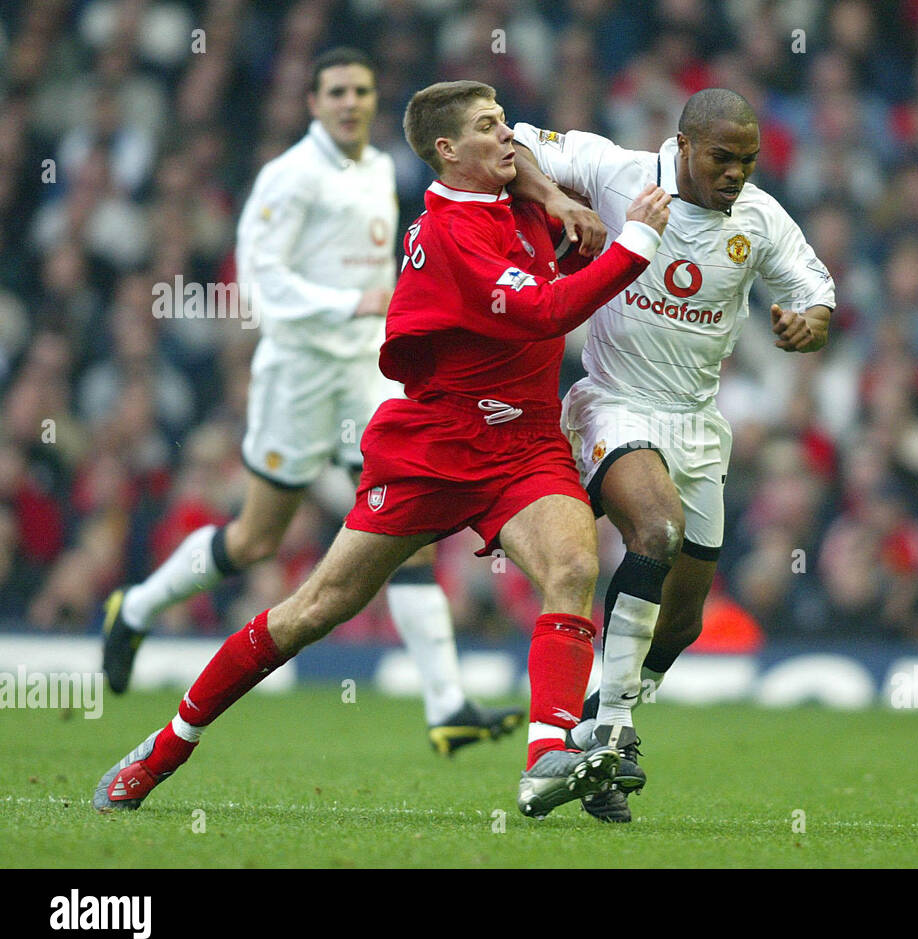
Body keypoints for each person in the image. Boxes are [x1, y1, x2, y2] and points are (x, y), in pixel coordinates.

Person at [93, 79, 672, 821]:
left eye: (503, 125)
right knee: (312, 609)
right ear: (446, 150)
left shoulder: (513, 185)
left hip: (524, 441)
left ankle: (545, 758)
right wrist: (636, 244)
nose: (508, 137)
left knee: (575, 563)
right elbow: (544, 309)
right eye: (489, 128)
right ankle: (165, 746)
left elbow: (526, 152)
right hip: (435, 448)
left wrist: (555, 199)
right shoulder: (449, 236)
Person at [100, 48, 524, 756]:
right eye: (336, 91)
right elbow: (259, 284)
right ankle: (136, 605)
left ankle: (447, 705)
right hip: (297, 374)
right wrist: (350, 300)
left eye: (361, 89)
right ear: (313, 101)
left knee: (408, 520)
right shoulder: (288, 177)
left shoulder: (382, 166)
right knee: (255, 539)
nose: (351, 102)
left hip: (363, 370)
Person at [510, 88, 836, 821]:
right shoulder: (616, 170)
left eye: (748, 161)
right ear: (683, 144)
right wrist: (556, 202)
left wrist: (806, 324)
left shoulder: (759, 218)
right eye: (723, 158)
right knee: (655, 530)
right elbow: (517, 141)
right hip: (612, 404)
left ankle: (602, 712)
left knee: (682, 621)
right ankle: (611, 734)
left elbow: (817, 291)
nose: (737, 174)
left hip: (697, 423)